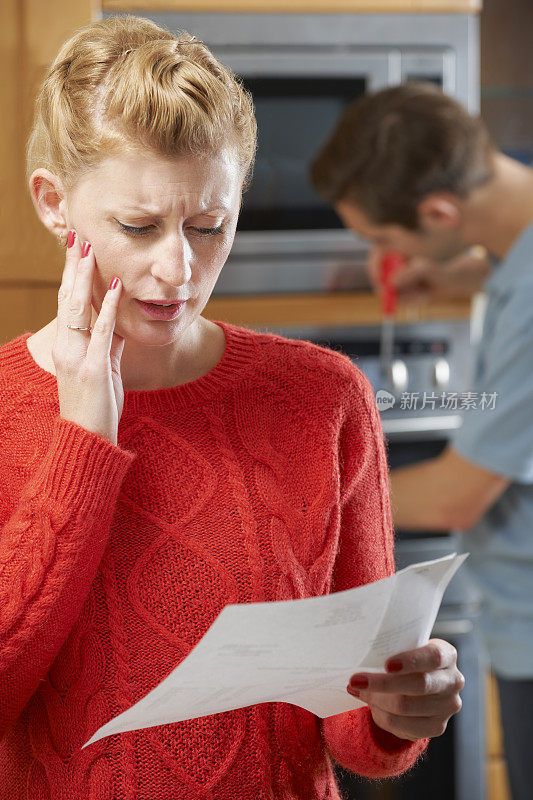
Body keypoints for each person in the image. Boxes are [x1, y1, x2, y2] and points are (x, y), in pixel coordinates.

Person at [0, 20, 464, 798]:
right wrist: (82, 438)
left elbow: (352, 732)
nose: (178, 267)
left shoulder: (324, 398)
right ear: (54, 204)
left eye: (210, 226)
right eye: (138, 227)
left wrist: (397, 711)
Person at [311, 81, 533, 800]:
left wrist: (311, 499)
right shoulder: (512, 232)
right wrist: (455, 270)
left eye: (383, 238)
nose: (382, 253)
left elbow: (455, 495)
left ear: (438, 211)